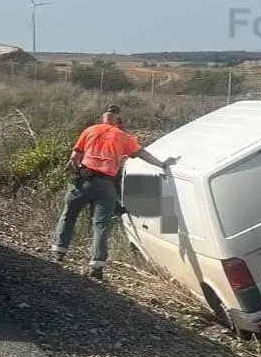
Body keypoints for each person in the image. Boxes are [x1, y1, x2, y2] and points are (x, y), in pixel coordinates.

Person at [50, 104, 176, 280]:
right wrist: (163, 164)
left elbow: (74, 158)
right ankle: (97, 266)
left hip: (85, 180)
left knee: (68, 215)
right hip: (107, 185)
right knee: (101, 225)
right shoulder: (123, 136)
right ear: (117, 119)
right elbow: (143, 154)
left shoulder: (90, 130)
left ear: (103, 117)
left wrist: (77, 172)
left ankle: (58, 252)